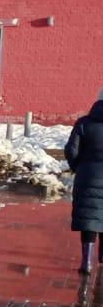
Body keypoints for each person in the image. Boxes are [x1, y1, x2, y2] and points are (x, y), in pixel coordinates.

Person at [64, 89, 103, 274]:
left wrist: (78, 167)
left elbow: (71, 151)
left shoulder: (84, 123)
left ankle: (86, 262)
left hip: (88, 176)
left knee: (89, 219)